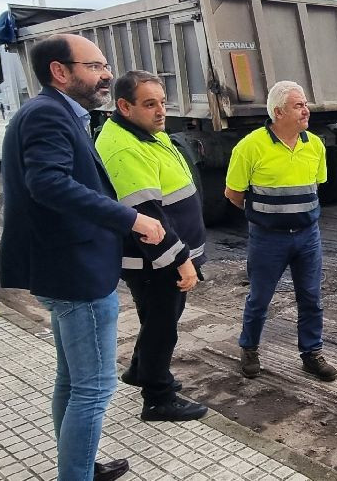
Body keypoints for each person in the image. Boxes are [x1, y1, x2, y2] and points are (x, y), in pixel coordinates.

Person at [0, 34, 165, 481]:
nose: (106, 74)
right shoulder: (48, 115)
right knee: (93, 388)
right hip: (75, 273)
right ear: (60, 71)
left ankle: (79, 466)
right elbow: (49, 185)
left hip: (64, 268)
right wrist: (130, 220)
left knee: (72, 382)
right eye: (94, 66)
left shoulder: (55, 113)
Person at [95, 70, 208, 422]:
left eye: (161, 102)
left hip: (157, 259)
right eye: (149, 104)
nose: (161, 111)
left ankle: (139, 368)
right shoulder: (125, 147)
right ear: (124, 106)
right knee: (163, 324)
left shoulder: (142, 133)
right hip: (155, 261)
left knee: (156, 317)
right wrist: (181, 261)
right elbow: (146, 215)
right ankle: (158, 397)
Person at [224, 80, 337, 382]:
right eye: (298, 105)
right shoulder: (250, 147)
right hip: (267, 239)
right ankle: (249, 349)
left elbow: (316, 187)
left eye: (305, 104)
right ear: (278, 112)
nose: (306, 110)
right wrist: (265, 217)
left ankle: (311, 354)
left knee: (311, 298)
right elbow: (233, 194)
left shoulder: (314, 145)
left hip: (307, 237)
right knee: (260, 298)